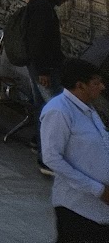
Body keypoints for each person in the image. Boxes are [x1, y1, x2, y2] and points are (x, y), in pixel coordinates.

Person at [39, 57, 109, 242]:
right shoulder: (59, 111)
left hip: (100, 208)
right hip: (75, 207)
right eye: (96, 82)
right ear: (81, 85)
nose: (102, 87)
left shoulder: (89, 109)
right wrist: (98, 190)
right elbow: (52, 158)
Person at [24, 0, 74, 111]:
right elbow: (37, 41)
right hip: (43, 67)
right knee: (54, 106)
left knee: (42, 105)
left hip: (39, 65)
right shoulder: (42, 8)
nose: (65, 0)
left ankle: (42, 132)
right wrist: (43, 72)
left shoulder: (40, 4)